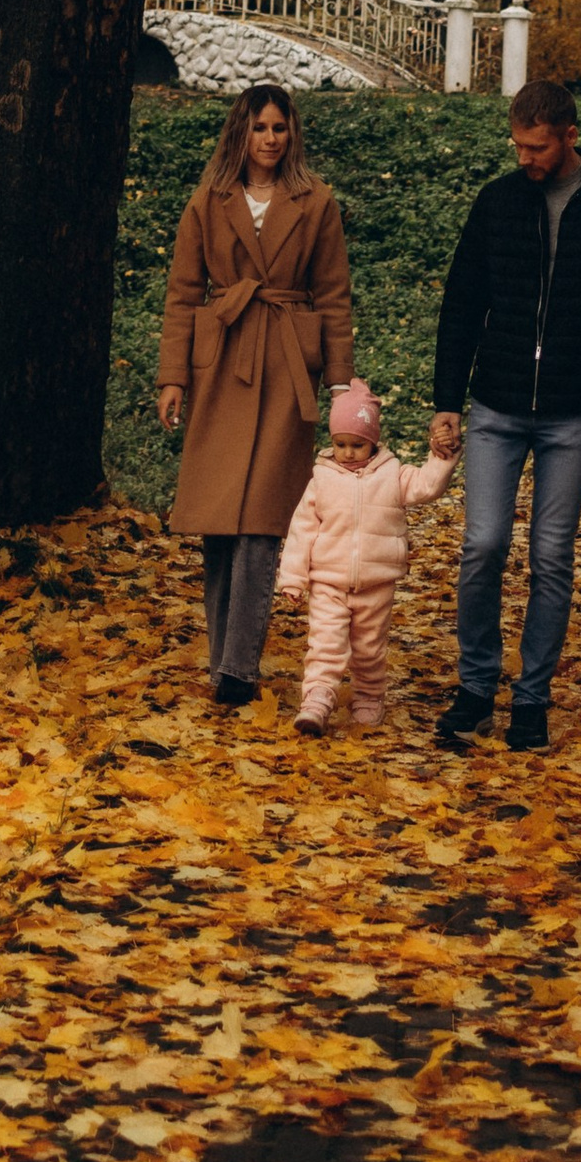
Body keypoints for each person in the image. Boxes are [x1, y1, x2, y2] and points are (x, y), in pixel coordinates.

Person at [428, 78, 581, 755]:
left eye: (536, 147)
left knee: (551, 555)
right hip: (496, 404)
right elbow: (460, 304)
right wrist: (447, 400)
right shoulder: (498, 202)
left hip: (573, 411)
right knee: (482, 547)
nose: (525, 158)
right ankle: (476, 687)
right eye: (517, 145)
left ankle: (531, 698)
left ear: (570, 136)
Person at [156, 83, 354, 708]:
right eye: (261, 128)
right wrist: (173, 377)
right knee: (219, 521)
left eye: (281, 128)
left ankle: (240, 669)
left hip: (288, 362)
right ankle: (222, 662)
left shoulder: (315, 200)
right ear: (240, 132)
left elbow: (333, 295)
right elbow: (184, 294)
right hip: (223, 359)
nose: (271, 139)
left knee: (265, 519)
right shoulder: (208, 200)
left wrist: (341, 382)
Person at [277, 379, 457, 738]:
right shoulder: (322, 479)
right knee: (325, 642)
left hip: (377, 581)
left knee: (369, 648)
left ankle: (369, 696)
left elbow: (426, 485)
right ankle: (317, 698)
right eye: (339, 444)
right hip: (327, 579)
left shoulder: (392, 475)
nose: (347, 452)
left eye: (356, 444)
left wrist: (441, 459)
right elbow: (302, 530)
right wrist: (294, 578)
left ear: (373, 441)